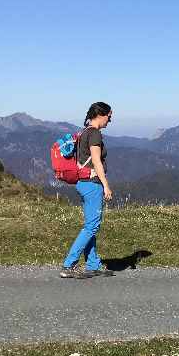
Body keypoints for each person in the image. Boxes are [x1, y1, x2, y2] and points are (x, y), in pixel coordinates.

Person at [61, 102, 114, 279]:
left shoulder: (84, 132)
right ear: (102, 114)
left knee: (90, 225)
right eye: (109, 116)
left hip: (82, 183)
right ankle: (69, 264)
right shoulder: (95, 134)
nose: (110, 120)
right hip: (92, 184)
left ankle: (93, 263)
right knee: (92, 226)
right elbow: (97, 162)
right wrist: (106, 185)